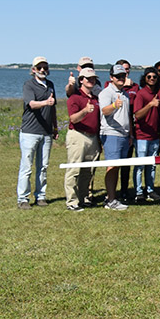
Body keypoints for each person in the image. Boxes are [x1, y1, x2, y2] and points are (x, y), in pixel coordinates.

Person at [18, 56, 57, 210]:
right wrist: (45, 103)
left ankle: (40, 196)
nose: (42, 70)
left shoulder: (51, 85)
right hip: (30, 132)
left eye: (45, 67)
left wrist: (54, 127)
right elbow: (32, 104)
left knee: (43, 166)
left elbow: (53, 108)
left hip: (46, 133)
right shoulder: (29, 85)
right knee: (27, 166)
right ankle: (23, 198)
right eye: (39, 67)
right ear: (33, 70)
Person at [65, 68, 101, 212]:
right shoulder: (75, 97)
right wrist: (85, 111)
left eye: (93, 78)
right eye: (88, 78)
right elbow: (73, 118)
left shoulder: (95, 98)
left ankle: (84, 197)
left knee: (88, 171)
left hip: (92, 137)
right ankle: (72, 201)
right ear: (81, 80)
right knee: (74, 169)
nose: (91, 81)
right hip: (78, 135)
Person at [98, 64, 132, 210]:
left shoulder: (126, 94)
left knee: (117, 167)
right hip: (111, 134)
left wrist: (130, 134)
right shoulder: (106, 93)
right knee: (112, 167)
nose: (121, 79)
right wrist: (114, 106)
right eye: (117, 76)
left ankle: (112, 197)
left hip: (124, 135)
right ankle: (111, 200)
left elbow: (128, 116)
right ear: (111, 78)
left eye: (123, 76)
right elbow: (104, 111)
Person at [132, 68, 160, 202]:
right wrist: (150, 104)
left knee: (152, 165)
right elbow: (137, 115)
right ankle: (139, 192)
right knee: (140, 165)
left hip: (154, 136)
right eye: (149, 76)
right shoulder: (141, 94)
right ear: (144, 78)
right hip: (142, 136)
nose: (152, 79)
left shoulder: (158, 93)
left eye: (154, 77)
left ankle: (150, 190)